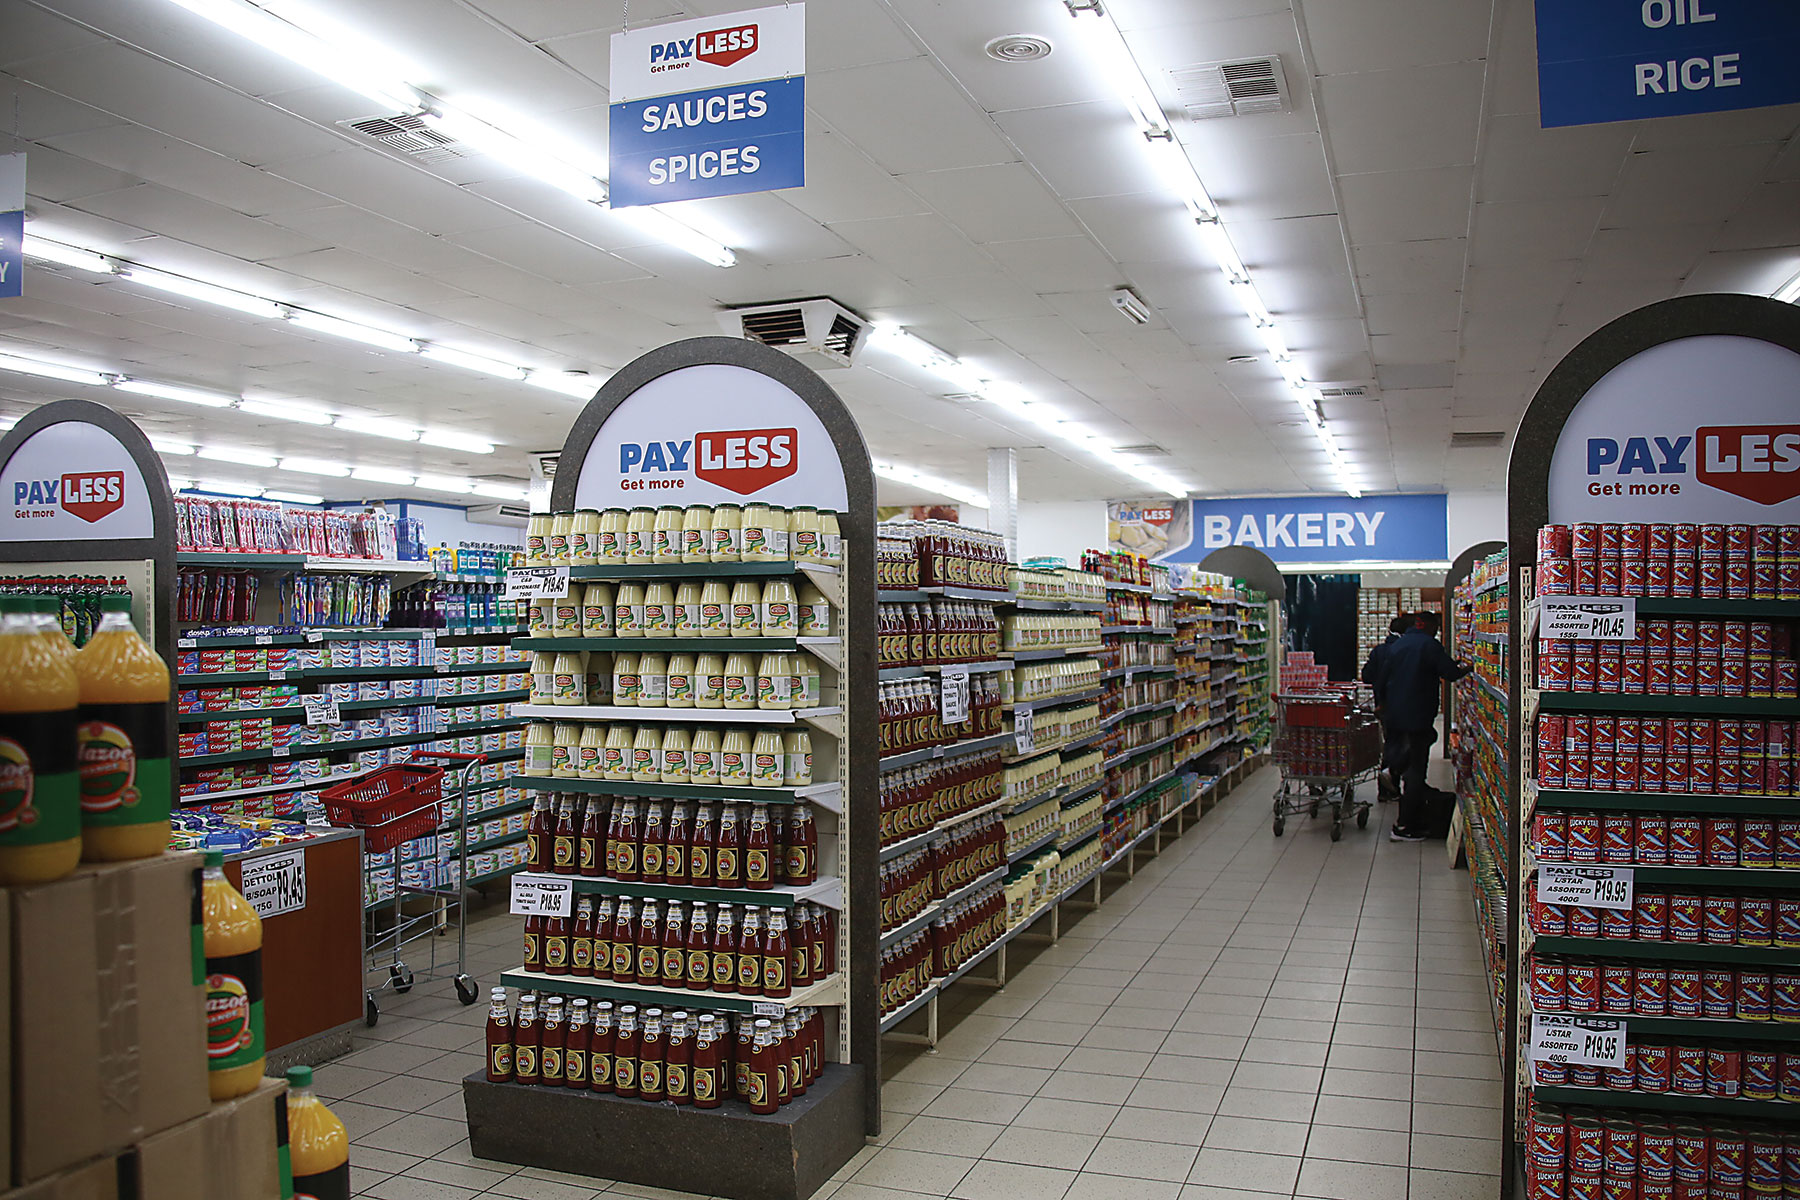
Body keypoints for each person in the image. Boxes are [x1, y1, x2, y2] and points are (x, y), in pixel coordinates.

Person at [1380, 610, 1469, 842]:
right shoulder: (1430, 645)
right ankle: (1405, 825)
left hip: (1395, 714)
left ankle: (1393, 769)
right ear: (1427, 625)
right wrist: (1468, 668)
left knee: (1408, 753)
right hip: (1418, 713)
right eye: (1436, 627)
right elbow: (1450, 673)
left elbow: (1381, 676)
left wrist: (1382, 703)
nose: (1437, 631)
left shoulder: (1398, 645)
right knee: (1417, 769)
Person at [1361, 613, 1412, 800]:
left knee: (1390, 742)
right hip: (1404, 705)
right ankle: (1393, 778)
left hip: (1382, 706)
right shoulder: (1406, 650)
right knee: (1403, 745)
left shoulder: (1379, 651)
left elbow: (1366, 675)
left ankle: (1386, 790)